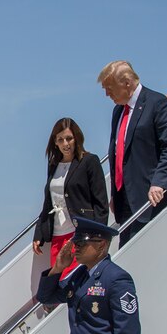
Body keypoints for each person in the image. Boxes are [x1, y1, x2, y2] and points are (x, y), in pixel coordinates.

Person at [100, 60, 167, 244]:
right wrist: (116, 192)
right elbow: (118, 152)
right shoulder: (118, 112)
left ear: (127, 82)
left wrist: (160, 182)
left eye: (110, 88)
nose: (107, 94)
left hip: (151, 198)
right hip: (126, 201)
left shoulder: (157, 103)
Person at [32, 117, 109, 274]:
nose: (65, 144)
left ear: (76, 138)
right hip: (57, 237)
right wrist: (38, 233)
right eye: (61, 139)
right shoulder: (53, 165)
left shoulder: (89, 161)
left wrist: (99, 236)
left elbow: (100, 202)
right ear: (55, 142)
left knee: (76, 284)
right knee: (58, 286)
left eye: (69, 138)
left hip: (79, 235)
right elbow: (48, 203)